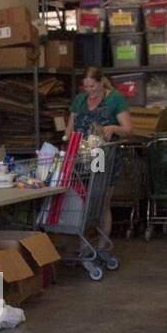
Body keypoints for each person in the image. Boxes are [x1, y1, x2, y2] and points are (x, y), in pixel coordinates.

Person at [65, 67, 133, 239]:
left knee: (102, 204)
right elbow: (70, 128)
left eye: (93, 87)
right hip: (81, 158)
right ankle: (84, 244)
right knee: (82, 204)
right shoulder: (80, 100)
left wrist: (114, 127)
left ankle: (102, 247)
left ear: (101, 81)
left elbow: (128, 130)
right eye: (86, 87)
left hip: (104, 159)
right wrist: (68, 147)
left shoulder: (115, 99)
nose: (89, 91)